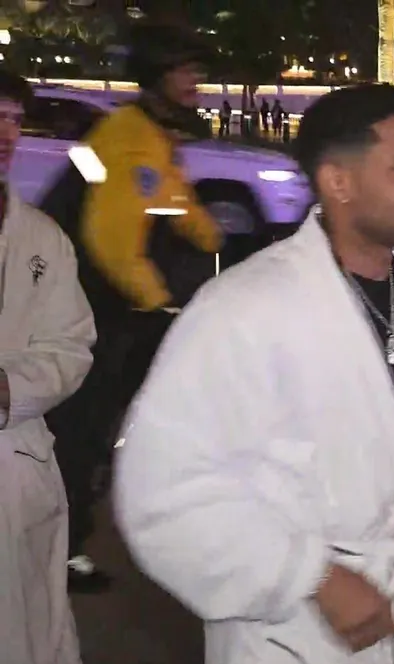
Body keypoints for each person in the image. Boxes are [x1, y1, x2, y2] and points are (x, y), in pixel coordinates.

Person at [112, 83, 394, 664]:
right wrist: (311, 577)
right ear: (338, 182)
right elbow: (160, 492)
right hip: (294, 646)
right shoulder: (245, 307)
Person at [40, 19, 223, 594]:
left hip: (106, 302)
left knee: (94, 423)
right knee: (82, 427)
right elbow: (113, 241)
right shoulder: (129, 137)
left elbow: (175, 203)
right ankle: (58, 552)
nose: (195, 80)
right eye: (185, 70)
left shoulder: (151, 135)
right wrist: (158, 303)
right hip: (92, 304)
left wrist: (215, 240)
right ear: (157, 75)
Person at [0, 68, 96, 664]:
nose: (5, 133)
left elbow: (71, 345)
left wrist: (9, 389)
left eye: (12, 118)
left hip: (14, 466)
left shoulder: (42, 239)